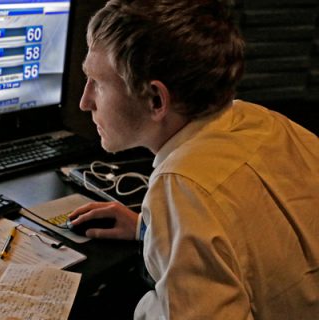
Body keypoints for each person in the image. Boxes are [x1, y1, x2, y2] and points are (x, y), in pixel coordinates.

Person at [67, 0, 319, 318]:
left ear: (156, 99)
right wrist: (150, 230)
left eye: (98, 84)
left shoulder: (183, 186)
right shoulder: (263, 121)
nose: (84, 101)